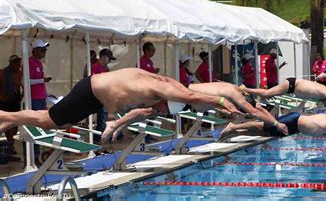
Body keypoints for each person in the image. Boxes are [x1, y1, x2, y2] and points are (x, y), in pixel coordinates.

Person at [0, 68, 240, 142]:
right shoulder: (159, 90)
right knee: (49, 122)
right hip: (92, 93)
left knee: (57, 118)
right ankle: (4, 116)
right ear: (166, 101)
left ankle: (8, 120)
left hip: (96, 93)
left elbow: (186, 96)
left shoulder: (166, 84)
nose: (161, 112)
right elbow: (193, 98)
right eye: (165, 109)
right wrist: (220, 101)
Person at [220, 113, 326, 166]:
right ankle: (233, 127)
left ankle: (234, 133)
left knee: (265, 135)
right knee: (262, 126)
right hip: (293, 121)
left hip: (296, 128)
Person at [189, 82, 287, 135]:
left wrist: (274, 121)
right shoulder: (236, 95)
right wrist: (277, 124)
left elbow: (258, 107)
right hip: (186, 97)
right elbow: (255, 112)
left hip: (189, 94)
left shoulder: (237, 89)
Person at [241, 78, 326, 119]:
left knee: (268, 95)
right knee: (266, 94)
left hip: (294, 88)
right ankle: (245, 89)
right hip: (292, 85)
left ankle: (247, 90)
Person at [28, 39, 52, 163]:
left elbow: (39, 82)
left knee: (41, 127)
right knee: (35, 127)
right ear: (36, 50)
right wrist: (43, 81)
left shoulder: (38, 63)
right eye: (43, 49)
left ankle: (37, 155)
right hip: (34, 100)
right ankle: (33, 156)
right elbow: (27, 81)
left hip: (41, 99)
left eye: (45, 50)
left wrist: (48, 95)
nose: (44, 52)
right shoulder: (29, 63)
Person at [0, 55, 23, 157]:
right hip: (4, 101)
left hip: (15, 101)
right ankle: (6, 147)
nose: (18, 65)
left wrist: (22, 96)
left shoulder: (21, 73)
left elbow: (23, 85)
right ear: (11, 63)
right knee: (4, 125)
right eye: (16, 63)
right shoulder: (2, 73)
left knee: (14, 125)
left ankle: (11, 146)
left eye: (19, 63)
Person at [91, 49, 116, 142]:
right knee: (101, 121)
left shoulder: (105, 68)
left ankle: (99, 140)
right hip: (98, 97)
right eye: (109, 59)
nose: (110, 61)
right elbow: (94, 83)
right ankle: (98, 140)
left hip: (104, 97)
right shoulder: (95, 67)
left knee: (102, 120)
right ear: (103, 57)